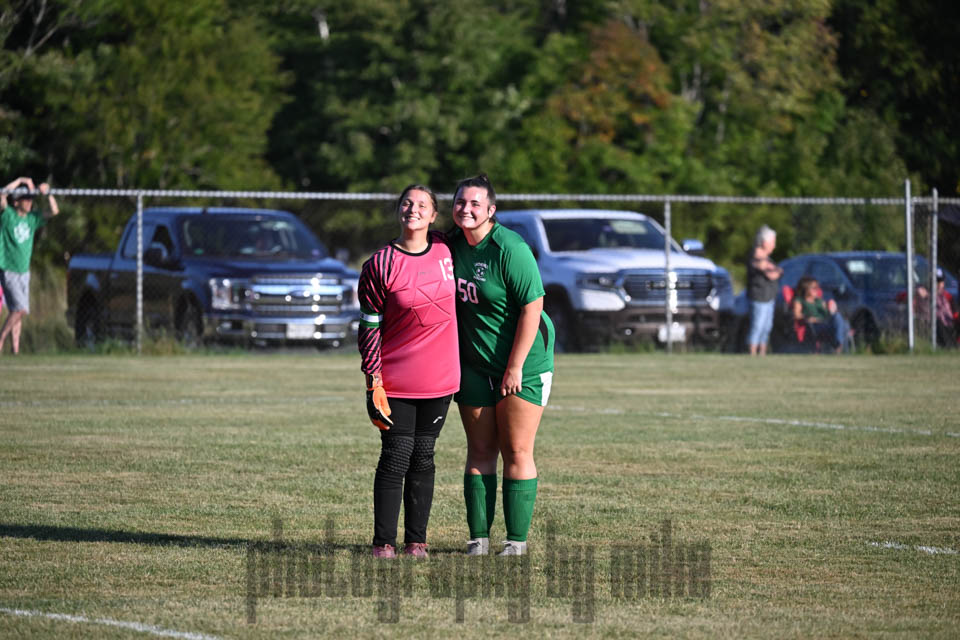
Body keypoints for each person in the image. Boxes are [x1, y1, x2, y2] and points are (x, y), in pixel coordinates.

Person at [448, 174, 555, 557]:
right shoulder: (450, 247)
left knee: (516, 449)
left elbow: (533, 308)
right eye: (461, 202)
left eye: (476, 203)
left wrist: (514, 367)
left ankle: (516, 542)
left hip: (523, 363)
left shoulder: (510, 247)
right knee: (478, 450)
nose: (467, 209)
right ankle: (478, 539)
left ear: (491, 210)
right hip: (475, 364)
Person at [357, 184, 459, 559]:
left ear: (434, 216)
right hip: (396, 379)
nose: (412, 209)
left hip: (441, 378)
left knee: (424, 456)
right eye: (406, 203)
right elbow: (368, 325)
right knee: (396, 454)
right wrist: (373, 379)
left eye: (421, 205)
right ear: (398, 211)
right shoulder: (380, 264)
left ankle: (417, 541)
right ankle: (383, 543)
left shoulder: (448, 249)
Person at [0, 177, 60, 354]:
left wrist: (47, 193)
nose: (29, 203)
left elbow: (54, 211)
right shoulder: (8, 215)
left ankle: (15, 350)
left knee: (16, 311)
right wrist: (19, 181)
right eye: (26, 199)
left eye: (31, 200)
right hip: (8, 268)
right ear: (17, 201)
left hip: (24, 271)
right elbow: (2, 194)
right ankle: (1, 338)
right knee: (20, 309)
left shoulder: (32, 219)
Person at [745, 224, 782, 355]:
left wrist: (774, 270)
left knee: (767, 327)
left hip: (769, 298)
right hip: (759, 298)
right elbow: (771, 273)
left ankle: (762, 353)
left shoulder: (767, 259)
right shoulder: (756, 257)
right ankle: (753, 353)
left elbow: (778, 271)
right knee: (757, 326)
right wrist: (774, 270)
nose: (774, 246)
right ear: (764, 242)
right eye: (772, 242)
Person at [792, 276, 851, 353]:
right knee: (843, 325)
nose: (817, 290)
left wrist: (832, 309)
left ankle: (839, 347)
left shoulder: (819, 300)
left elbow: (828, 314)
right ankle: (839, 348)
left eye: (817, 287)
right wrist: (807, 318)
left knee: (843, 322)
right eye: (814, 287)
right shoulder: (800, 300)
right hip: (815, 326)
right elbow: (796, 315)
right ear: (806, 289)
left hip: (826, 323)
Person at [934, 268, 956, 348]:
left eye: (940, 281)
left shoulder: (948, 296)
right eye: (936, 281)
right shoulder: (925, 294)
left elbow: (955, 314)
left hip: (948, 326)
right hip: (934, 325)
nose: (939, 284)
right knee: (938, 322)